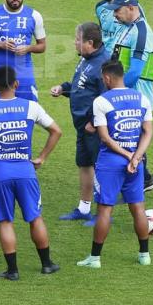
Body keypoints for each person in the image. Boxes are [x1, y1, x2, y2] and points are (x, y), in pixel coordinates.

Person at [0, 65, 62, 280]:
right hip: (26, 170)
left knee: (5, 221)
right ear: (16, 84)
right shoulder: (31, 107)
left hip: (0, 172)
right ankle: (47, 264)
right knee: (35, 218)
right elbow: (56, 130)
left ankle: (12, 270)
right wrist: (42, 157)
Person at [77, 60, 153, 269]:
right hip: (136, 163)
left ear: (107, 78)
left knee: (104, 209)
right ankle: (144, 255)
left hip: (110, 163)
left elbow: (105, 137)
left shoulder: (102, 101)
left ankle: (95, 258)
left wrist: (127, 155)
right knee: (138, 208)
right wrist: (136, 157)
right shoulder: (142, 98)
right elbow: (148, 132)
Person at [51, 23, 109, 225]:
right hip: (82, 126)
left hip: (94, 128)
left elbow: (107, 98)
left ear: (90, 43)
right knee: (84, 165)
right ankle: (84, 209)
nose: (75, 43)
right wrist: (63, 88)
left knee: (100, 168)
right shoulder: (86, 58)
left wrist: (94, 122)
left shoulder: (104, 64)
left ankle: (103, 214)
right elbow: (82, 86)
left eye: (78, 39)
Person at [103, 0, 153, 192]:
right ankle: (142, 179)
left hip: (136, 95)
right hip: (128, 92)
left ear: (130, 8)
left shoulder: (141, 32)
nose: (114, 15)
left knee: (134, 138)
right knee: (128, 136)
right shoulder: (130, 26)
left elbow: (135, 71)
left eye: (117, 10)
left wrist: (115, 93)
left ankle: (141, 181)